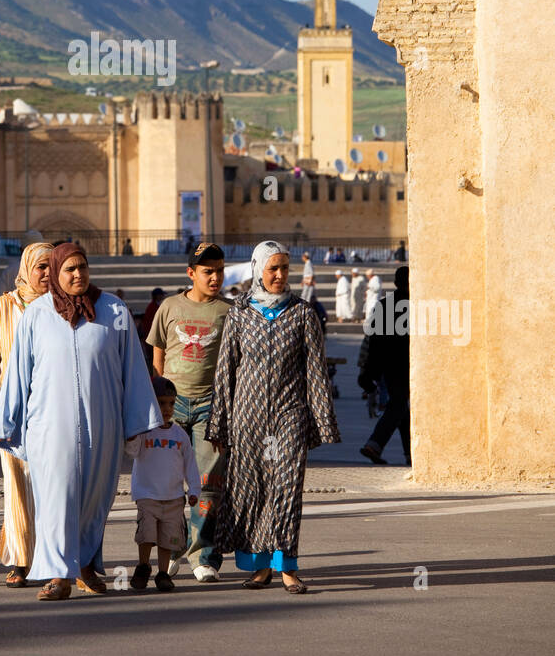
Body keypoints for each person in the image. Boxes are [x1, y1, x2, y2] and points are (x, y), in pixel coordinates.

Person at [0, 242, 162, 602]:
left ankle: (84, 563)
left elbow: (133, 369)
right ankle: (57, 575)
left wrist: (138, 422)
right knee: (56, 497)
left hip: (103, 424)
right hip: (49, 427)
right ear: (56, 274)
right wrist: (8, 421)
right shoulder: (37, 314)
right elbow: (18, 372)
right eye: (69, 269)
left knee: (95, 497)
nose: (78, 274)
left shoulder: (112, 311)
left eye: (82, 267)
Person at [206, 240, 340, 592]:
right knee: (252, 489)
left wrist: (321, 421)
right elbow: (226, 370)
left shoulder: (302, 314)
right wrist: (220, 422)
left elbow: (315, 371)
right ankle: (260, 566)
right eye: (273, 269)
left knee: (287, 488)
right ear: (258, 271)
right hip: (247, 416)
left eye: (284, 269)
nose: (280, 275)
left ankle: (287, 565)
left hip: (289, 414)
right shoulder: (240, 312)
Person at [0, 241, 53, 586]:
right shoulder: (0, 309)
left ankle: (52, 557)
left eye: (52, 267)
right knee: (17, 485)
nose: (48, 274)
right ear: (26, 269)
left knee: (52, 486)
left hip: (53, 413)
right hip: (14, 415)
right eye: (41, 268)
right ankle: (20, 560)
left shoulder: (63, 308)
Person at [147, 241, 231, 582]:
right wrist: (161, 400)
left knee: (207, 483)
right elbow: (158, 355)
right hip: (174, 403)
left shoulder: (228, 312)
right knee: (168, 482)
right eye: (208, 271)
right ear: (191, 273)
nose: (215, 278)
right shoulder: (169, 307)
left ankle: (203, 555)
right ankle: (171, 549)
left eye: (220, 271)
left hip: (211, 404)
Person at [124, 376, 200, 594]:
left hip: (173, 497)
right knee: (147, 534)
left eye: (171, 403)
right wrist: (132, 436)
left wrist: (194, 490)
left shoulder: (180, 435)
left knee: (168, 538)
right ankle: (143, 565)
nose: (167, 408)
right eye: (160, 403)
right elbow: (132, 452)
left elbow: (190, 465)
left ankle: (163, 573)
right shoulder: (145, 431)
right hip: (147, 495)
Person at [359, 266, 411, 466]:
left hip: (390, 368)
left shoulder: (383, 305)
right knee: (398, 407)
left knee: (402, 410)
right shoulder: (416, 306)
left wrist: (369, 371)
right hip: (405, 367)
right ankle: (374, 445)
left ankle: (410, 454)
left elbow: (374, 343)